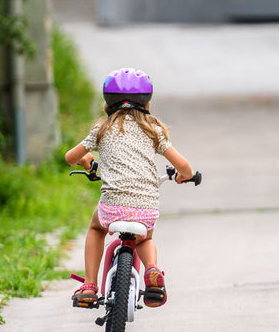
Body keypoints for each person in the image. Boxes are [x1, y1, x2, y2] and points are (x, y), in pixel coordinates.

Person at [65, 67, 194, 307]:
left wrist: (85, 159)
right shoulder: (153, 130)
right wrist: (184, 176)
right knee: (144, 239)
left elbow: (70, 157)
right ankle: (152, 269)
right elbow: (184, 166)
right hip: (145, 207)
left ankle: (90, 284)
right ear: (147, 102)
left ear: (108, 102)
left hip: (112, 206)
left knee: (96, 228)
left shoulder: (101, 130)